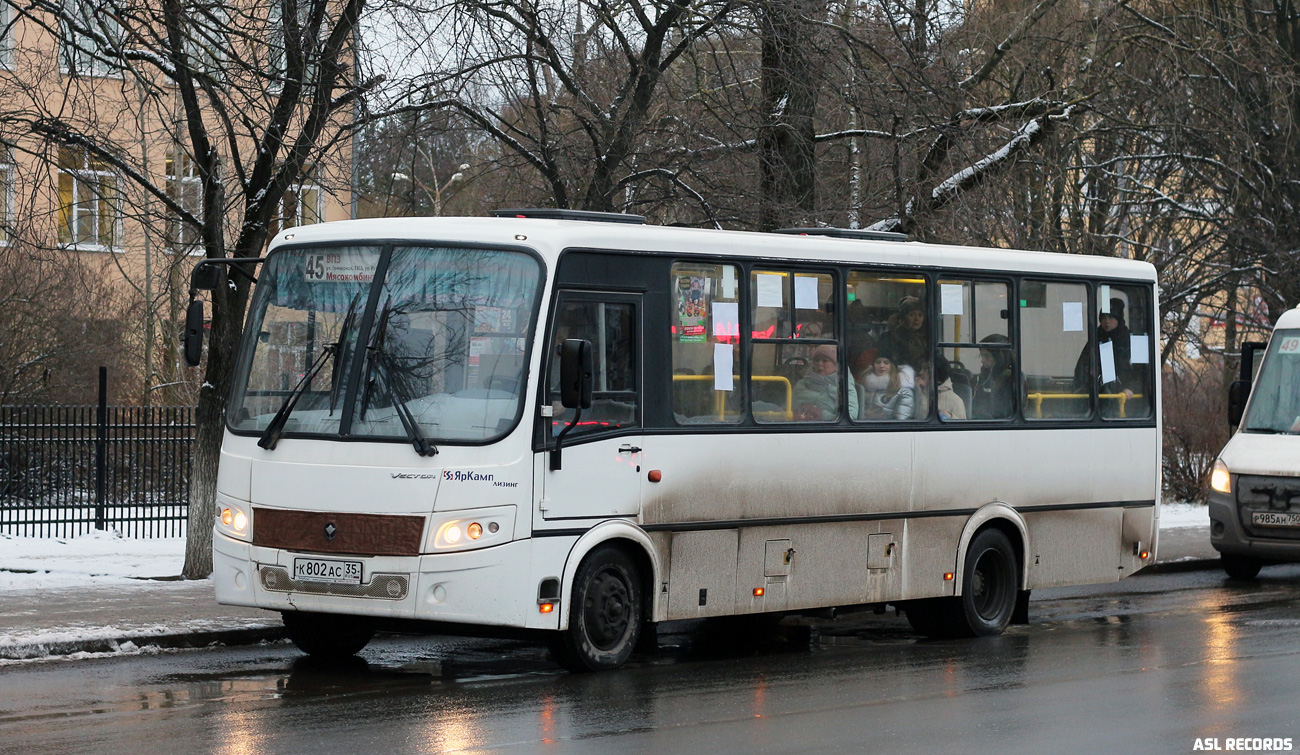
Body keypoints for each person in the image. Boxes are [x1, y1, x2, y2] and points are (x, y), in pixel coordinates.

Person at [1074, 297, 1137, 416]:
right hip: (1097, 395)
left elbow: (1138, 369)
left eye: (1111, 317)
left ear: (1118, 319)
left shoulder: (1127, 339)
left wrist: (1131, 387)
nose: (1106, 321)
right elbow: (1083, 365)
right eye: (1103, 318)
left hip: (1123, 397)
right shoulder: (1096, 338)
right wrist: (1081, 386)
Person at [792, 345, 858, 420]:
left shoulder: (844, 385)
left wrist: (821, 414)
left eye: (825, 360)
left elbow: (850, 416)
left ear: (837, 365)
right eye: (817, 360)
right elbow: (787, 408)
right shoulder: (802, 383)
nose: (820, 364)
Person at [856, 351, 915, 420]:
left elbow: (901, 422)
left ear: (892, 366)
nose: (881, 366)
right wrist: (865, 415)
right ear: (873, 365)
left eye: (886, 362)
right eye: (878, 362)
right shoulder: (863, 388)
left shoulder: (904, 392)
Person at [971, 334, 1014, 419]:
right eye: (981, 356)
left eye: (986, 356)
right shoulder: (983, 377)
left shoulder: (1011, 379)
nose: (982, 361)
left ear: (999, 357)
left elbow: (1004, 412)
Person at [882, 295, 928, 371]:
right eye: (912, 315)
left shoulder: (927, 338)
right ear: (903, 317)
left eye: (920, 315)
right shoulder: (889, 338)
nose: (917, 319)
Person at [933, 354, 967, 420]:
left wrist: (949, 416)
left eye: (926, 369)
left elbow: (962, 427)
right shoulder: (918, 392)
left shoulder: (956, 401)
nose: (921, 372)